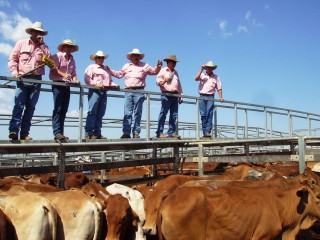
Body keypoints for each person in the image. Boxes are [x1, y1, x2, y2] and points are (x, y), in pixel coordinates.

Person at [8, 21, 51, 140]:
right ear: (31, 32)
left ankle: (25, 133)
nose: (37, 33)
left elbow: (49, 61)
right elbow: (12, 59)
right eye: (36, 31)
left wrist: (42, 45)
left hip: (37, 79)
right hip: (22, 77)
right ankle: (14, 130)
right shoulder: (21, 43)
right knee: (19, 105)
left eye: (40, 32)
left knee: (31, 107)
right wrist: (14, 72)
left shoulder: (44, 47)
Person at [109, 48, 162, 139]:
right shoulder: (126, 66)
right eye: (134, 55)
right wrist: (109, 70)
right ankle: (126, 133)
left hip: (139, 91)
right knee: (127, 112)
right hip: (128, 91)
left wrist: (158, 67)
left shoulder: (144, 65)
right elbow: (119, 74)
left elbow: (154, 72)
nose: (136, 57)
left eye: (138, 55)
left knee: (138, 112)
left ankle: (136, 132)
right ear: (131, 57)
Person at [49, 39, 80, 142]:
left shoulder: (72, 59)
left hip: (67, 85)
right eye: (67, 46)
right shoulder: (57, 56)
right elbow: (53, 68)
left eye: (71, 47)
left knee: (64, 110)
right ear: (63, 47)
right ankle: (57, 132)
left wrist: (75, 80)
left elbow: (74, 73)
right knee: (58, 108)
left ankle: (60, 133)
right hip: (58, 84)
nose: (69, 48)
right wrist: (64, 75)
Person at [84, 50, 119, 140]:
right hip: (95, 90)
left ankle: (97, 132)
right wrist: (95, 84)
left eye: (102, 57)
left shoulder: (105, 69)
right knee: (92, 111)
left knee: (100, 113)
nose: (101, 59)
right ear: (95, 59)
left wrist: (115, 85)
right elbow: (87, 79)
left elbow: (109, 81)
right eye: (99, 57)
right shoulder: (91, 67)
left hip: (104, 91)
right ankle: (89, 133)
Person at [155, 54, 183, 139]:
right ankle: (160, 132)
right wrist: (164, 81)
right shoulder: (163, 71)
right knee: (163, 113)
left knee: (174, 114)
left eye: (175, 62)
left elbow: (179, 85)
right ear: (168, 62)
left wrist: (180, 96)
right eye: (172, 62)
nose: (174, 64)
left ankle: (171, 132)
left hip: (175, 95)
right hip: (166, 94)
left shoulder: (176, 72)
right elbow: (157, 82)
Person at [194, 60, 223, 138]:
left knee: (209, 113)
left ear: (213, 69)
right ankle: (205, 132)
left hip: (210, 96)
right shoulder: (202, 75)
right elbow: (195, 78)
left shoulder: (216, 77)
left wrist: (220, 97)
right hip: (202, 96)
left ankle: (208, 131)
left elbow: (219, 88)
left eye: (211, 68)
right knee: (203, 114)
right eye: (208, 68)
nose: (209, 69)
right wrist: (201, 69)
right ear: (206, 68)